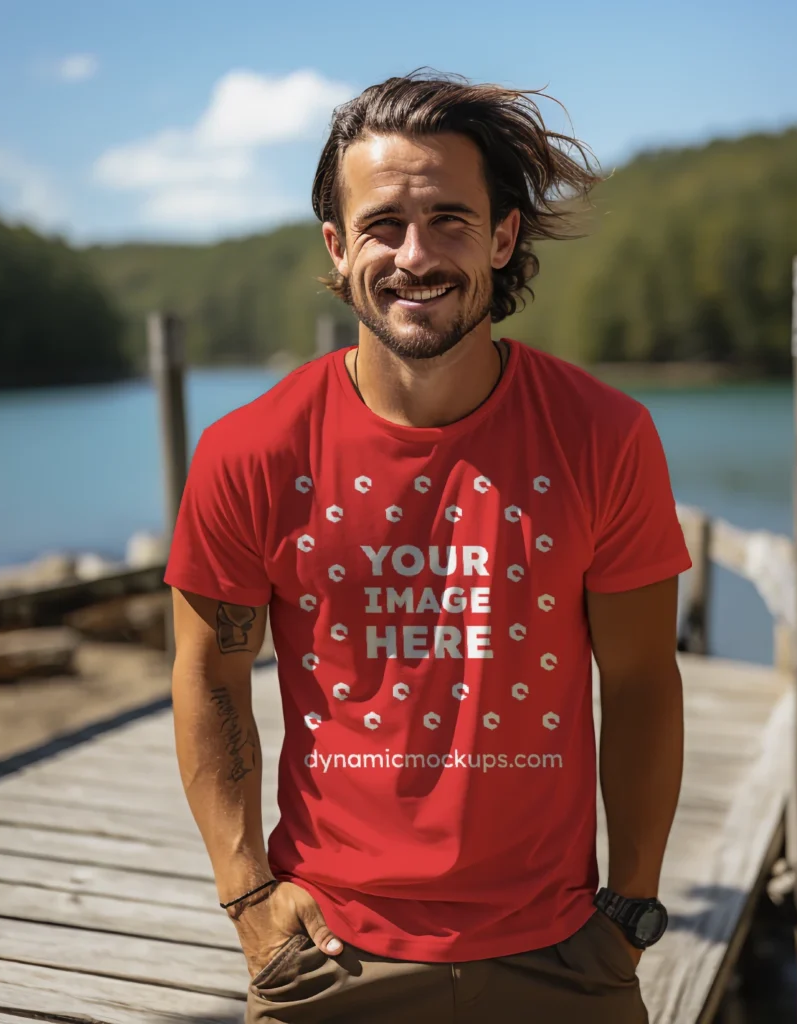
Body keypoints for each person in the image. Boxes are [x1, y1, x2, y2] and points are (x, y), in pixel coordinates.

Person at [165, 70, 691, 1024]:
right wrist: (248, 899)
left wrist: (632, 907)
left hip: (562, 951)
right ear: (337, 247)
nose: (416, 255)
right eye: (383, 225)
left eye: (451, 219)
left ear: (503, 236)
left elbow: (645, 679)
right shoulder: (251, 452)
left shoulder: (603, 437)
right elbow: (208, 674)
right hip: (328, 953)